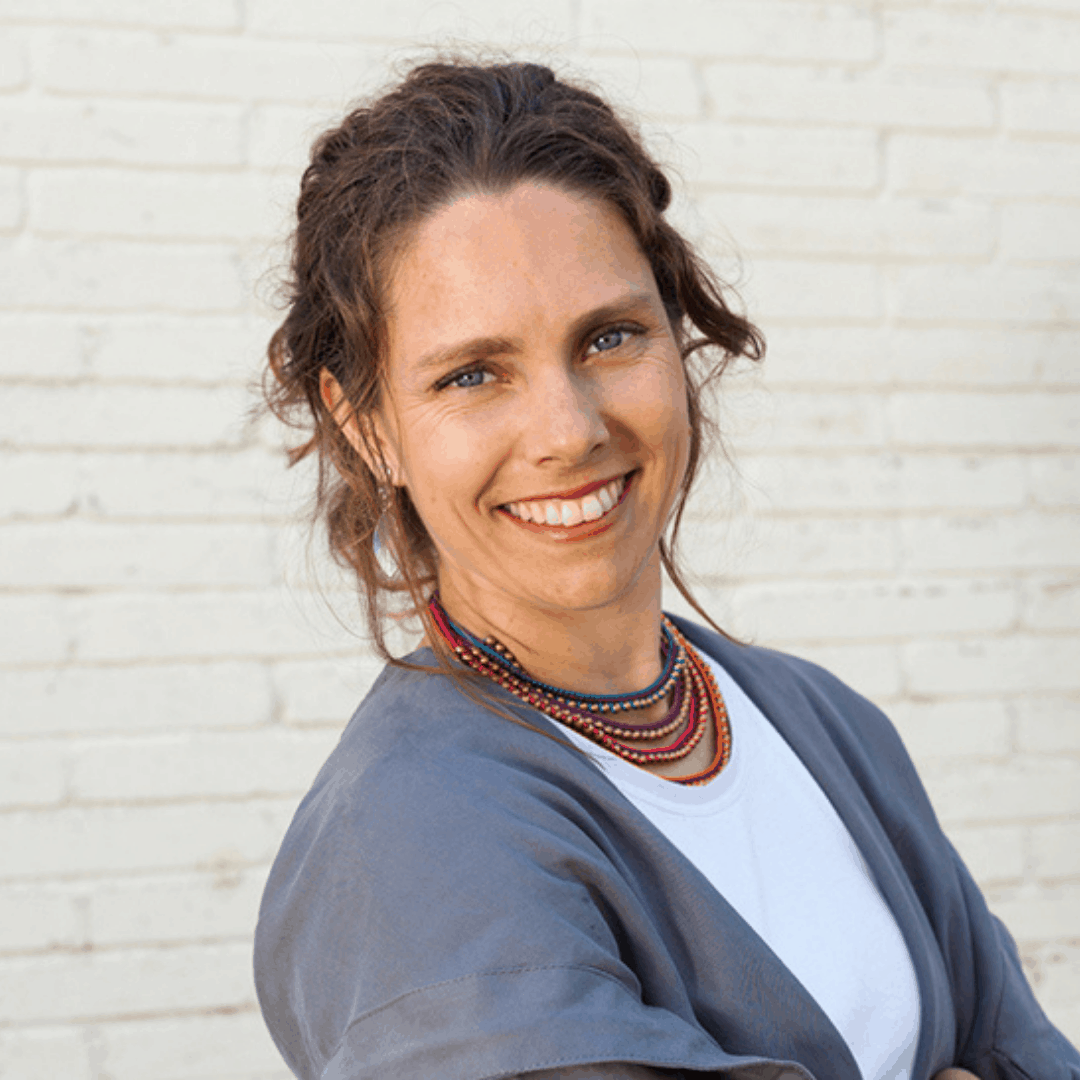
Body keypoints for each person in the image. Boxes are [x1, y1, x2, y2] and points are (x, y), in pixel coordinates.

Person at [253, 58, 1080, 1080]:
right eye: (474, 373)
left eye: (608, 337)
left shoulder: (825, 725)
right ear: (366, 425)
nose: (567, 430)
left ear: (677, 341)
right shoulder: (410, 840)